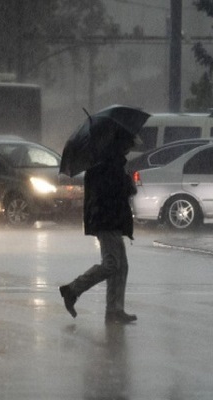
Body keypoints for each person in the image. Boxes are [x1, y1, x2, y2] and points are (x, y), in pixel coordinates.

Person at [59, 131, 138, 324]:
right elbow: (117, 192)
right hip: (107, 220)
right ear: (119, 145)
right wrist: (129, 183)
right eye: (127, 144)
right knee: (112, 264)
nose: (129, 148)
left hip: (110, 220)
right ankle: (73, 290)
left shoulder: (107, 163)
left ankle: (114, 309)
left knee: (121, 266)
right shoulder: (109, 166)